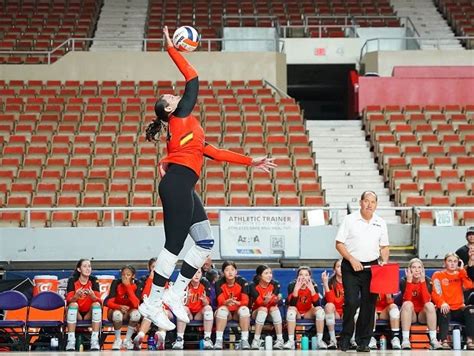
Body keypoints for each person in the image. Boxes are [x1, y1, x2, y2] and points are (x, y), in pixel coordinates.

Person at [138, 25, 276, 331]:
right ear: (170, 108)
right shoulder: (180, 115)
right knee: (173, 246)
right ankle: (152, 302)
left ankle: (175, 293)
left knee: (204, 242)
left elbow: (215, 152)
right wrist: (171, 49)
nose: (174, 95)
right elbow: (193, 79)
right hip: (176, 185)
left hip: (182, 184)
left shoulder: (188, 129)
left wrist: (251, 161)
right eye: (169, 97)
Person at [335, 190, 390, 352]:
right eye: (366, 201)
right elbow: (339, 243)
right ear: (360, 202)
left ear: (376, 205)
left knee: (369, 305)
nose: (369, 205)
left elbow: (384, 246)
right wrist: (352, 259)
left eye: (372, 202)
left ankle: (363, 341)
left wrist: (384, 260)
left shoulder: (380, 222)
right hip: (350, 266)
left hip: (371, 268)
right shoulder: (349, 220)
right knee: (351, 302)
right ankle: (345, 338)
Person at [431, 252, 474, 350]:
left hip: (459, 308)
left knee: (471, 310)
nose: (452, 263)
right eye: (450, 261)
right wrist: (442, 303)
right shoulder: (438, 274)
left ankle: (470, 340)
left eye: (455, 261)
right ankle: (444, 341)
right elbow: (435, 292)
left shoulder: (460, 274)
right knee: (444, 311)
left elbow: (469, 285)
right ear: (445, 262)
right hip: (445, 307)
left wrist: (462, 270)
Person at [399, 258, 442, 350]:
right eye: (414, 267)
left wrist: (422, 282)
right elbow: (406, 299)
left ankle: (433, 339)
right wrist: (409, 282)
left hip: (423, 314)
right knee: (407, 304)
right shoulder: (403, 281)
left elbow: (426, 300)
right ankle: (405, 339)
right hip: (410, 314)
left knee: (430, 305)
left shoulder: (427, 280)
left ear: (422, 269)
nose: (417, 270)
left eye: (419, 267)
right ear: (409, 269)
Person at [284, 266, 327, 350]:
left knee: (320, 311)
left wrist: (312, 290)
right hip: (297, 313)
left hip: (308, 313)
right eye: (301, 275)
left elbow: (317, 304)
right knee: (291, 311)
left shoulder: (313, 285)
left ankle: (319, 341)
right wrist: (296, 290)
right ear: (297, 277)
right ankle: (291, 342)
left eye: (306, 275)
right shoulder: (292, 285)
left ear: (310, 277)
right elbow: (291, 304)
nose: (303, 277)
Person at [133, 258, 171, 350]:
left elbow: (167, 298)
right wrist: (150, 279)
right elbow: (144, 296)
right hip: (148, 308)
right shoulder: (144, 280)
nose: (156, 269)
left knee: (162, 313)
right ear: (149, 268)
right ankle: (140, 336)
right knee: (150, 314)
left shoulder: (166, 280)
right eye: (154, 267)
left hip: (163, 309)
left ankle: (161, 338)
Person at [65, 259, 102, 351]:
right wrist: (76, 296)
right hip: (77, 313)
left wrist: (93, 296)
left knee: (96, 304)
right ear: (79, 269)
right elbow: (69, 301)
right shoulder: (72, 280)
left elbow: (99, 301)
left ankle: (94, 340)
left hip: (88, 314)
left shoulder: (94, 280)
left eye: (89, 266)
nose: (88, 268)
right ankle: (71, 341)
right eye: (84, 266)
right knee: (73, 305)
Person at [172, 269, 214, 350]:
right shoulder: (184, 285)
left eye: (198, 272)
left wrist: (205, 300)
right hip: (189, 314)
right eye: (194, 273)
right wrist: (187, 299)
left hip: (199, 314)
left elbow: (207, 303)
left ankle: (207, 339)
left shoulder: (205, 284)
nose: (196, 275)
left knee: (208, 309)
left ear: (202, 274)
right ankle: (179, 339)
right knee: (183, 309)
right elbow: (179, 304)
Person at [213, 261, 251, 350]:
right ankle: (218, 340)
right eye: (227, 270)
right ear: (223, 272)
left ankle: (244, 340)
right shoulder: (219, 283)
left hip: (238, 312)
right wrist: (226, 302)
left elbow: (245, 301)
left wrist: (238, 303)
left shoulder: (242, 282)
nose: (230, 272)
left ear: (236, 272)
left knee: (244, 310)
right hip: (227, 312)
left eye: (232, 270)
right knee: (222, 310)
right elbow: (220, 301)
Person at [105, 265, 142, 350]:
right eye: (123, 274)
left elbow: (136, 304)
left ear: (133, 276)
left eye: (128, 275)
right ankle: (117, 340)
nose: (125, 277)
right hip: (115, 310)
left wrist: (128, 286)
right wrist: (119, 307)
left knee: (136, 314)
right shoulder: (116, 283)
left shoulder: (137, 284)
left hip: (129, 311)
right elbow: (109, 302)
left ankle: (127, 340)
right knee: (117, 314)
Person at [249, 264, 284, 350]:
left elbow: (275, 301)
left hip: (270, 312)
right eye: (266, 273)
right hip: (256, 312)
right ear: (260, 276)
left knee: (274, 308)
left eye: (270, 273)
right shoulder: (253, 286)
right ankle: (256, 340)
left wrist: (277, 299)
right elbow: (260, 303)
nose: (269, 275)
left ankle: (280, 340)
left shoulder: (275, 284)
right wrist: (267, 300)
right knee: (263, 309)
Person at [322, 259, 344, 349]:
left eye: (343, 267)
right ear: (334, 269)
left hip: (346, 311)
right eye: (338, 267)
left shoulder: (352, 282)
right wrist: (325, 284)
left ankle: (352, 339)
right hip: (335, 312)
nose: (341, 269)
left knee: (352, 308)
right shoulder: (330, 281)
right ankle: (332, 339)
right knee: (329, 306)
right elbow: (330, 300)